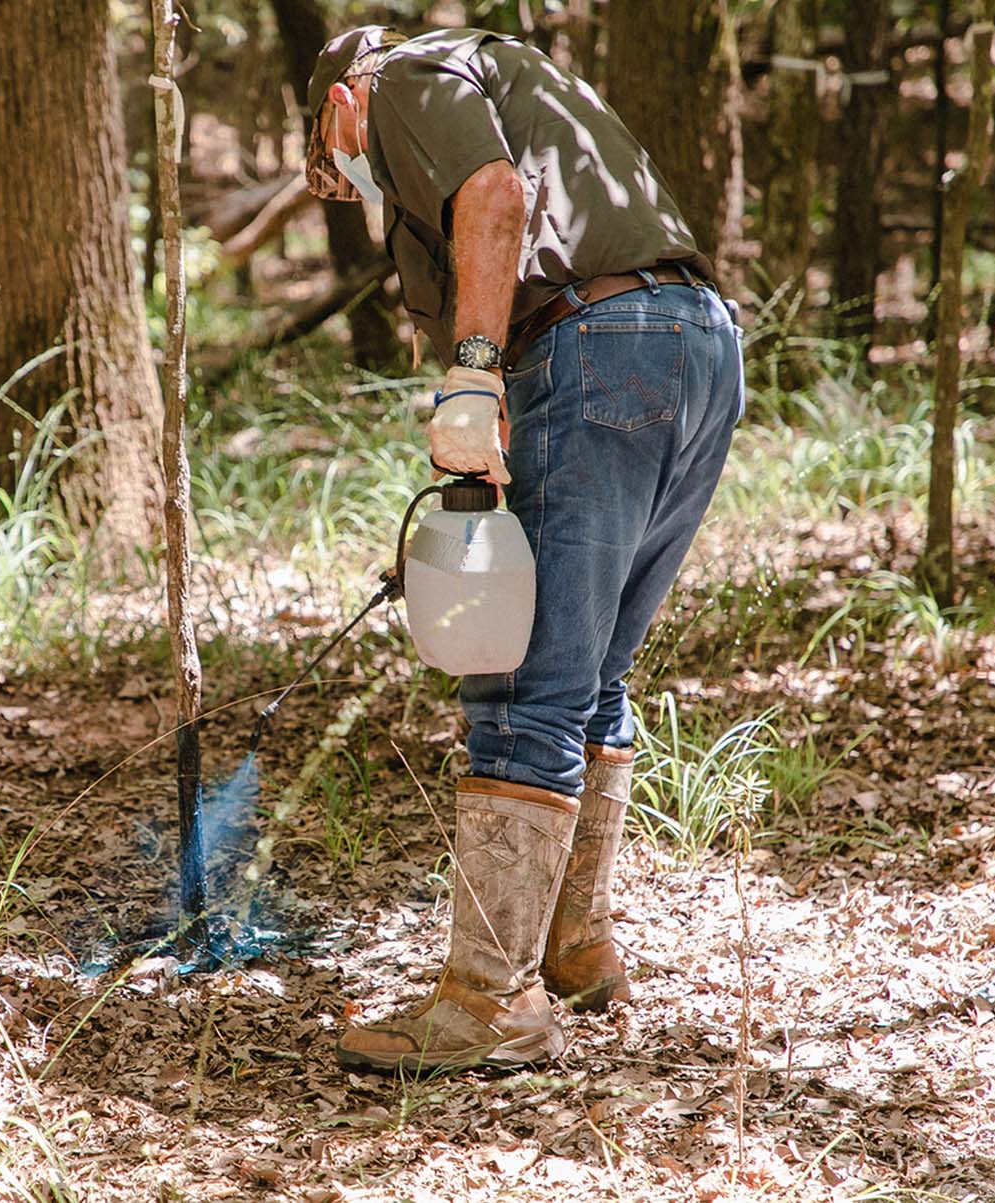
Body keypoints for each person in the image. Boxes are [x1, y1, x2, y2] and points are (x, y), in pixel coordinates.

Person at [303, 26, 745, 1073]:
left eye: (334, 169)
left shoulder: (403, 76)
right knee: (593, 673)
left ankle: (491, 1005)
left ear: (336, 109)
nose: (351, 183)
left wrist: (471, 372)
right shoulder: (524, 81)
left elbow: (494, 197)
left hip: (592, 350)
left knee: (520, 686)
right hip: (695, 344)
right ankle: (576, 948)